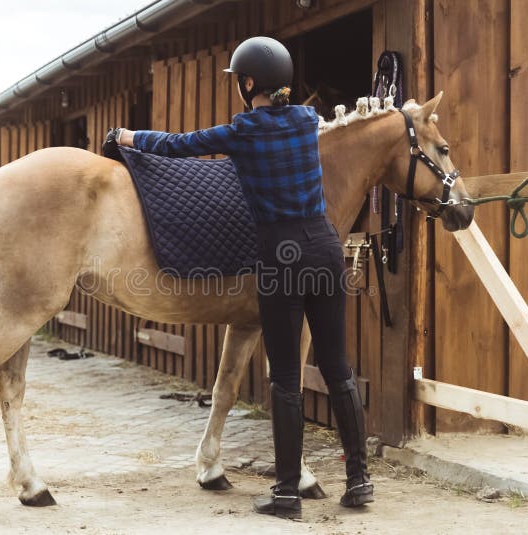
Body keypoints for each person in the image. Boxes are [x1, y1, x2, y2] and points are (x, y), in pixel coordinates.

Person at [105, 36, 373, 520]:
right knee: (337, 369)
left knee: (287, 378)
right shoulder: (308, 121)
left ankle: (287, 494)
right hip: (325, 249)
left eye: (239, 81)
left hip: (281, 257)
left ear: (249, 83)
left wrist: (127, 137)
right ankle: (359, 482)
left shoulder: (243, 130)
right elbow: (338, 123)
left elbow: (179, 146)